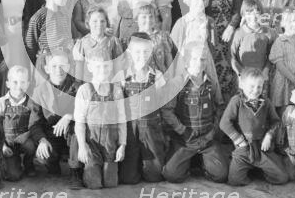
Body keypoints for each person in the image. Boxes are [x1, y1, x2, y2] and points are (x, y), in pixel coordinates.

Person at [162, 42, 229, 183]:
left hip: (207, 138)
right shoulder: (177, 83)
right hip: (185, 139)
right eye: (195, 58)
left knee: (221, 175)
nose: (199, 62)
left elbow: (220, 107)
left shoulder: (211, 83)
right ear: (186, 61)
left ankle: (203, 162)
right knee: (171, 174)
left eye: (203, 59)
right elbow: (167, 112)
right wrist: (182, 131)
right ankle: (190, 161)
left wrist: (212, 132)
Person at [119, 32, 176, 184]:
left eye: (146, 51)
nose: (142, 55)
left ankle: (150, 165)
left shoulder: (157, 76)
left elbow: (165, 104)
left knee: (154, 177)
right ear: (130, 53)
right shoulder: (124, 77)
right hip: (131, 129)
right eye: (137, 52)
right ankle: (135, 166)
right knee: (128, 179)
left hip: (151, 128)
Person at [219, 67, 288, 186]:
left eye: (259, 86)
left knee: (281, 177)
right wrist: (239, 140)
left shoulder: (266, 102)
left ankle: (259, 169)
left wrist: (269, 135)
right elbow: (224, 123)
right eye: (251, 86)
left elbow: (276, 121)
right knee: (235, 181)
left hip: (262, 147)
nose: (255, 90)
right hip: (243, 148)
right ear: (242, 85)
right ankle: (247, 168)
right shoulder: (237, 101)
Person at [29, 50, 84, 188]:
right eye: (54, 66)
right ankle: (53, 162)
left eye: (62, 66)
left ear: (68, 67)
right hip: (51, 133)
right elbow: (34, 123)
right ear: (47, 69)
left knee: (76, 131)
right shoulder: (39, 91)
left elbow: (87, 111)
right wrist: (41, 140)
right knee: (45, 158)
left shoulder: (78, 88)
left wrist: (70, 116)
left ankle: (75, 171)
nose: (58, 70)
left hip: (71, 132)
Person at [74, 51, 126, 189]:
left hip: (110, 144)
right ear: (90, 67)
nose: (102, 70)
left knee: (111, 184)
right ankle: (85, 169)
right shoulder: (85, 90)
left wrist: (122, 145)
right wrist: (82, 146)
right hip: (92, 144)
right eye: (98, 67)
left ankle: (108, 166)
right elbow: (79, 122)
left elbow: (122, 120)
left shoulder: (116, 91)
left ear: (110, 67)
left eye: (106, 66)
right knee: (94, 184)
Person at [203, 0, 244, 101]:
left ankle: (234, 102)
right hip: (210, 32)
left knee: (232, 64)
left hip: (231, 31)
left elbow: (239, 10)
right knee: (213, 67)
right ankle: (215, 104)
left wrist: (231, 26)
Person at [0, 66, 41, 180]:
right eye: (15, 82)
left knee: (31, 146)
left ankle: (28, 163)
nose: (19, 86)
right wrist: (3, 146)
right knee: (14, 176)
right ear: (8, 84)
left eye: (22, 82)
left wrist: (27, 134)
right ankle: (7, 162)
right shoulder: (1, 103)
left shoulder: (31, 103)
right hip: (7, 143)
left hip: (24, 140)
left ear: (27, 84)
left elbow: (35, 123)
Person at [25, 0, 74, 73]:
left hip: (64, 60)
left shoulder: (64, 14)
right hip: (46, 62)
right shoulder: (39, 17)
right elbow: (30, 45)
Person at [230, 0, 277, 87]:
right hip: (243, 76)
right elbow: (232, 56)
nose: (253, 17)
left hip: (261, 76)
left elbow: (271, 56)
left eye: (257, 13)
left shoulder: (268, 33)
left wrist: (266, 71)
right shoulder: (239, 33)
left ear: (262, 14)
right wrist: (240, 73)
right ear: (243, 15)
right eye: (249, 13)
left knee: (261, 99)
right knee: (243, 98)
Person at [72, 6, 123, 83]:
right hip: (89, 86)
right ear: (88, 23)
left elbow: (118, 69)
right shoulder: (82, 44)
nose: (99, 24)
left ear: (107, 23)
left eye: (102, 21)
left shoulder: (113, 42)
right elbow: (79, 74)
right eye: (95, 21)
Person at [135, 4, 176, 75]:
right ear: (136, 19)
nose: (148, 20)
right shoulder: (134, 40)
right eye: (144, 17)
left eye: (151, 16)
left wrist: (171, 76)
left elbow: (168, 57)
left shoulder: (162, 36)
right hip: (143, 79)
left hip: (161, 78)